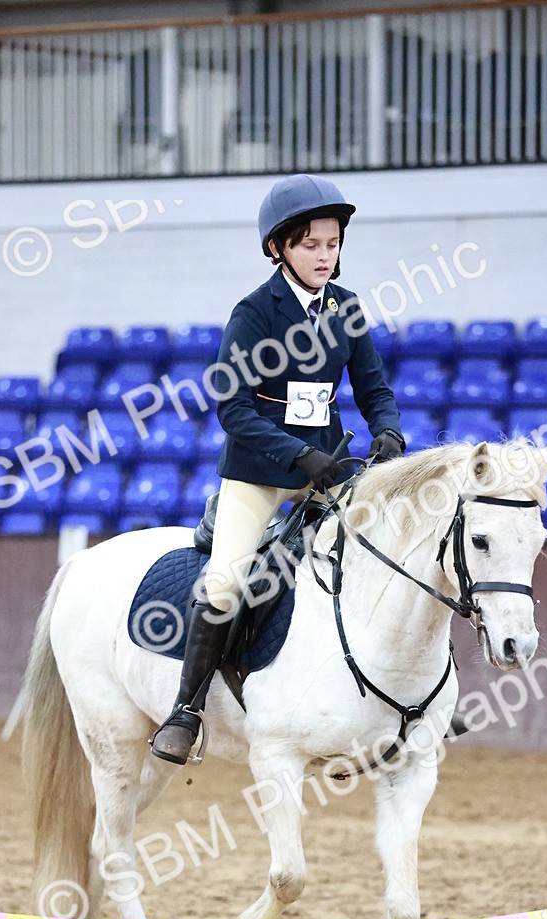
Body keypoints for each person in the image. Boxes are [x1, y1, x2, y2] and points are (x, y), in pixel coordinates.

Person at [150, 174, 405, 765]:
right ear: (279, 249)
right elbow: (233, 410)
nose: (324, 255)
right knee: (226, 581)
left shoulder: (347, 308)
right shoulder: (253, 312)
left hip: (329, 468)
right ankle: (185, 711)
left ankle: (404, 702)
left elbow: (373, 388)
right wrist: (297, 456)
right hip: (260, 473)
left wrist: (388, 429)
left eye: (332, 244)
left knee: (388, 558)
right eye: (311, 244)